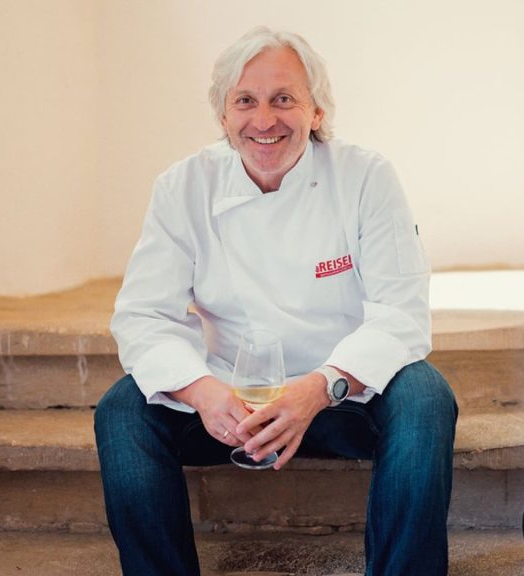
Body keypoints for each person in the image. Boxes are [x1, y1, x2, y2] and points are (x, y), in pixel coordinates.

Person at [94, 26, 458, 576]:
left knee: (426, 396)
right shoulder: (182, 187)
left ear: (316, 112)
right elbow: (144, 315)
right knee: (122, 411)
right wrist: (206, 394)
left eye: (283, 99)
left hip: (339, 393)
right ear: (223, 115)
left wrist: (319, 387)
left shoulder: (365, 178)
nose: (264, 120)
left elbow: (401, 312)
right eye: (245, 101)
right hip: (230, 403)